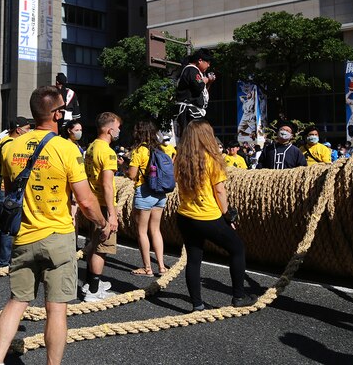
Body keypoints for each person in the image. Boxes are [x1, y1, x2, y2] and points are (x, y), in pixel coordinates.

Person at [0, 86, 108, 365]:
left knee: (16, 302)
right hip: (58, 235)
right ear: (57, 114)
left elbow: (10, 193)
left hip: (24, 235)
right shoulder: (66, 148)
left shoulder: (10, 146)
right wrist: (102, 223)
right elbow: (86, 201)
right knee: (56, 310)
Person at [175, 120, 256, 311]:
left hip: (185, 216)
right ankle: (238, 296)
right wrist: (228, 216)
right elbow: (220, 192)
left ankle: (197, 304)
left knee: (194, 259)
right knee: (237, 249)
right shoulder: (211, 160)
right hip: (207, 216)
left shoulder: (179, 159)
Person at [82, 112, 121, 302]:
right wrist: (112, 215)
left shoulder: (91, 147)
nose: (119, 131)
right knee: (102, 247)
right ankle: (94, 290)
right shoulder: (107, 152)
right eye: (117, 127)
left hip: (92, 202)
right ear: (109, 129)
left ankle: (90, 282)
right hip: (103, 204)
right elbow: (107, 185)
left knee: (93, 243)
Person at [127, 120, 168, 277]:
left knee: (142, 232)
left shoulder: (139, 151)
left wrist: (124, 167)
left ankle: (147, 268)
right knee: (156, 230)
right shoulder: (160, 150)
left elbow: (132, 174)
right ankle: (162, 267)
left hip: (145, 192)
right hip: (160, 192)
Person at [0, 117, 29, 269]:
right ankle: (4, 262)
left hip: (6, 189)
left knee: (6, 227)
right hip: (7, 189)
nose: (29, 132)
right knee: (8, 228)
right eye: (27, 129)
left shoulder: (6, 142)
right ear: (18, 130)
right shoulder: (11, 145)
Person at [175, 49, 215, 137]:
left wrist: (209, 82)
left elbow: (201, 91)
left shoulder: (195, 72)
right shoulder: (191, 70)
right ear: (200, 60)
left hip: (195, 110)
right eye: (207, 62)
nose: (209, 65)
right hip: (189, 110)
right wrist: (206, 79)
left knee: (198, 136)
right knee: (192, 136)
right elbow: (198, 85)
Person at [65, 120, 85, 224]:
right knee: (73, 216)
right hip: (72, 184)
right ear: (69, 131)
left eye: (81, 130)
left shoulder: (77, 145)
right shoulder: (67, 145)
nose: (79, 132)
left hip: (79, 178)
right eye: (76, 130)